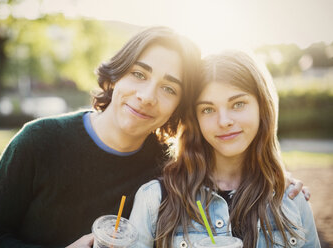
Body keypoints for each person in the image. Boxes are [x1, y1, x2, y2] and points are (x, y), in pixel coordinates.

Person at [0, 26, 202, 248]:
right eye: (139, 74)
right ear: (115, 76)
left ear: (178, 108)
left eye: (169, 88)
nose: (147, 96)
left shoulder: (168, 170)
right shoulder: (38, 141)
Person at [130, 50, 320, 247]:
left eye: (238, 104)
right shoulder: (155, 200)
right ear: (195, 119)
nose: (224, 121)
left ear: (262, 107)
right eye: (208, 109)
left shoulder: (292, 200)